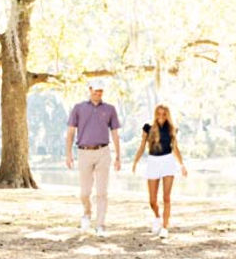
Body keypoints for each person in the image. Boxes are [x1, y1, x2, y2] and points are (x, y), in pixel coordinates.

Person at [64, 81, 122, 236]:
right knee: (85, 192)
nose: (98, 94)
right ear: (90, 90)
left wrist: (118, 156)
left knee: (102, 192)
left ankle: (100, 225)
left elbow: (115, 134)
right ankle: (87, 212)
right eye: (96, 91)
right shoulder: (79, 108)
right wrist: (68, 154)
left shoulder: (110, 109)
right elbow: (70, 133)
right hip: (84, 152)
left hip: (103, 152)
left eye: (101, 91)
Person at [130, 105, 187, 239]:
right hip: (152, 162)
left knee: (166, 198)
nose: (161, 116)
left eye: (164, 114)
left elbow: (175, 149)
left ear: (168, 115)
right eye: (159, 114)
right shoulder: (147, 129)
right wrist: (135, 162)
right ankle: (157, 217)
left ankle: (165, 228)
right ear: (155, 114)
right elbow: (142, 147)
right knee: (152, 200)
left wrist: (182, 165)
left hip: (168, 162)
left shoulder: (172, 129)